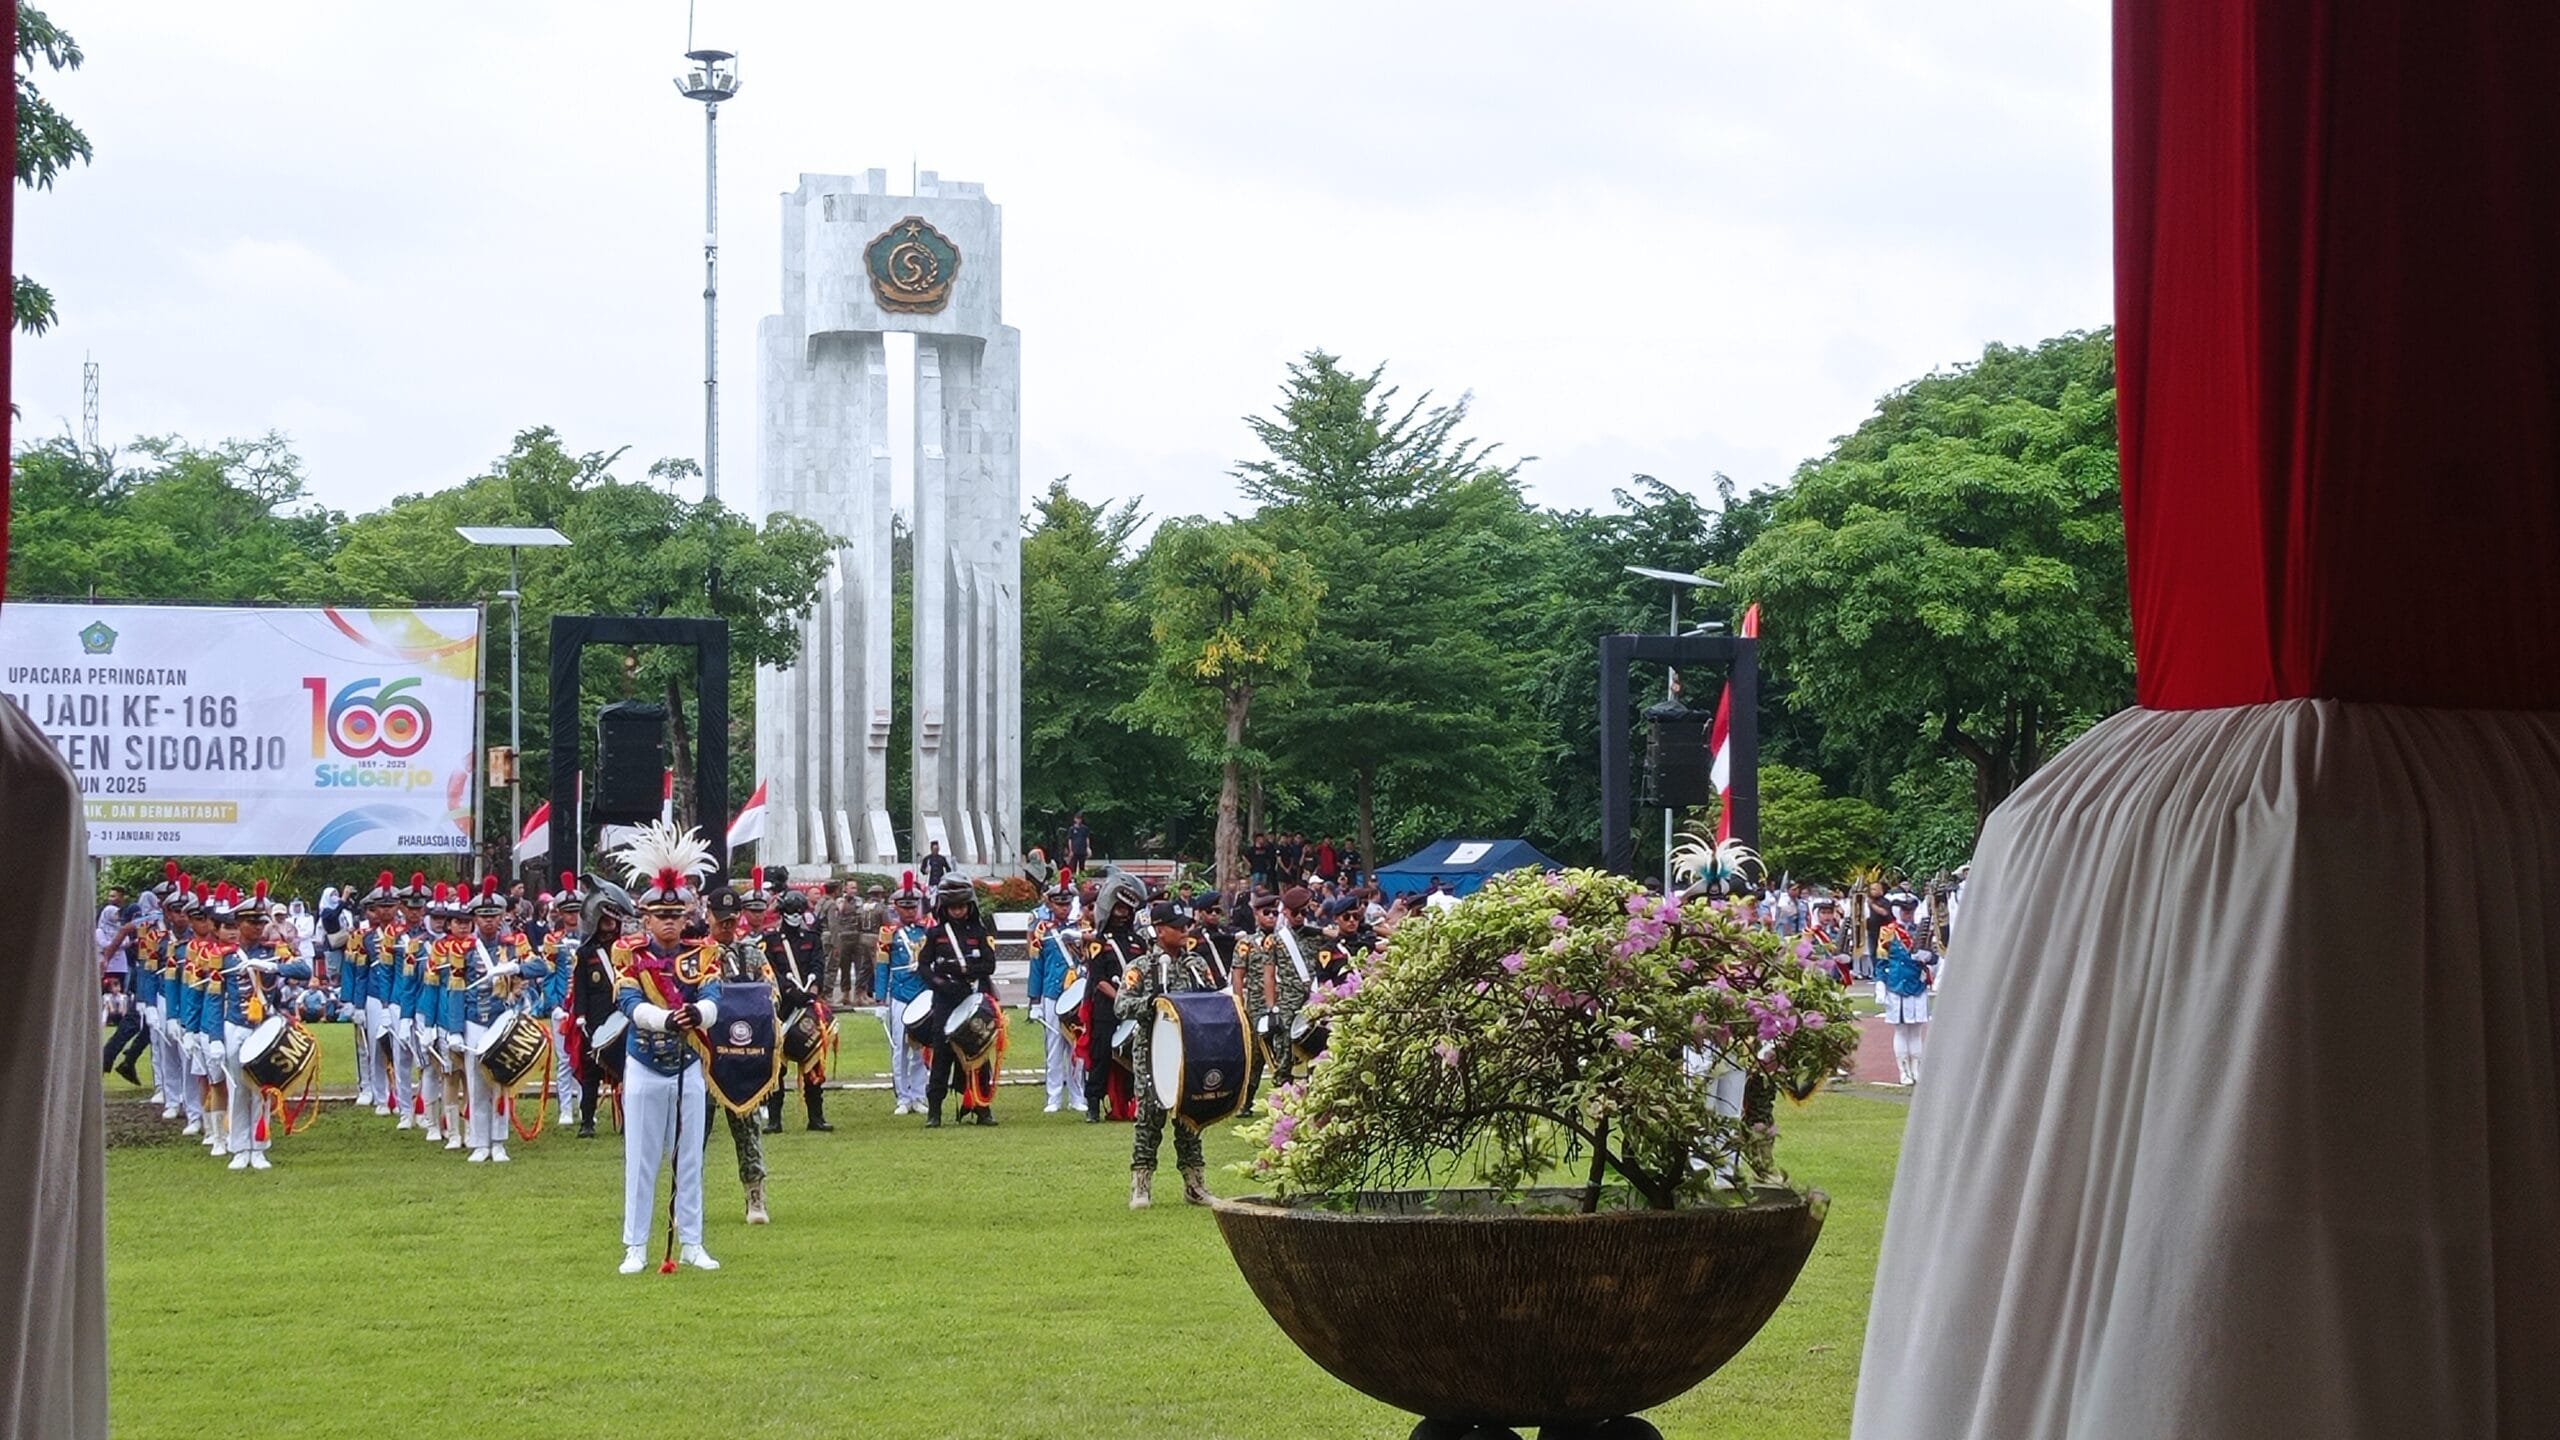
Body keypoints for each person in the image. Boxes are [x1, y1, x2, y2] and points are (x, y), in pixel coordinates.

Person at [612, 831, 724, 1273]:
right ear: (646, 920)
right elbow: (627, 1003)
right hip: (644, 1062)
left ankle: (692, 1242)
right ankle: (635, 1245)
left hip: (688, 1063)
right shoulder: (629, 955)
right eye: (661, 917)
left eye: (676, 916)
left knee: (690, 1157)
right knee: (640, 1159)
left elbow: (715, 996)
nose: (670, 924)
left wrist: (697, 1014)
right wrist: (664, 1019)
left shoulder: (702, 954)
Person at [1117, 899, 1220, 1208]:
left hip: (1191, 1053)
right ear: (1160, 931)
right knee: (1149, 1119)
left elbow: (1214, 1000)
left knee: (1191, 1118)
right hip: (1151, 1052)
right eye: (1177, 927)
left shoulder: (1197, 964)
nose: (1184, 932)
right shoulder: (1141, 967)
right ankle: (1141, 1186)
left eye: (1185, 926)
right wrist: (1149, 1003)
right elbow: (1121, 1005)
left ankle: (1195, 1185)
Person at [219, 881, 311, 1171]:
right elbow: (211, 997)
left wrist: (275, 967)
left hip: (263, 1026)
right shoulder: (226, 956)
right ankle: (238, 1147)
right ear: (238, 923)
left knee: (262, 1089)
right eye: (251, 922)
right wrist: (210, 1035)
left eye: (261, 921)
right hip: (236, 1024)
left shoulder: (274, 950)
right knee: (237, 1088)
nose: (258, 927)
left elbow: (304, 970)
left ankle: (259, 1146)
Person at [458, 876, 545, 1163]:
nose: (489, 922)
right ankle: (480, 1141)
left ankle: (499, 1141)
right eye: (483, 917)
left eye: (494, 916)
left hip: (503, 1017)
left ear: (502, 916)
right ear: (474, 919)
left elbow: (541, 965)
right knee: (476, 1082)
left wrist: (517, 967)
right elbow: (455, 990)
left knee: (502, 1081)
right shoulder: (464, 949)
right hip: (473, 1019)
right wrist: (453, 1029)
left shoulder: (514, 943)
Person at [704, 886, 773, 1224]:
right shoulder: (696, 954)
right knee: (694, 1130)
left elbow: (768, 997)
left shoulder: (752, 954)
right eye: (721, 922)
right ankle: (687, 1197)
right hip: (704, 1056)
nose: (727, 928)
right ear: (709, 918)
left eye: (732, 921)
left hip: (741, 1054)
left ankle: (755, 1196)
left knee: (748, 1127)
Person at [920, 875, 1000, 1127]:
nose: (957, 911)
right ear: (944, 908)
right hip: (945, 1001)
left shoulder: (979, 932)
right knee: (942, 1054)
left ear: (969, 907)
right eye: (953, 907)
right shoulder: (935, 934)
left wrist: (962, 970)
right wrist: (941, 983)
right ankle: (935, 1111)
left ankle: (982, 1107)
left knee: (978, 1053)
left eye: (962, 906)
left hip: (973, 998)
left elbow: (989, 964)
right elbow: (924, 966)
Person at [761, 870, 835, 1134]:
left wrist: (813, 989)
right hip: (782, 1006)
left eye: (798, 911)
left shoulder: (811, 939)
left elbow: (818, 965)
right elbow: (770, 970)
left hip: (807, 1004)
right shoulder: (770, 940)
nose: (794, 916)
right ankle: (774, 1119)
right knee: (776, 1066)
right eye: (789, 911)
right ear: (782, 913)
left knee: (813, 1059)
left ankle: (816, 1116)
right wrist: (789, 990)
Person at [1081, 870, 1149, 1123]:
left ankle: (1131, 1104)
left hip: (1134, 1008)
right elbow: (1098, 981)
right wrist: (1122, 998)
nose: (1122, 914)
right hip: (1106, 1008)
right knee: (1100, 1057)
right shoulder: (1098, 942)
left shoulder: (1138, 942)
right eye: (1118, 908)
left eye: (1126, 909)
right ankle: (1093, 1105)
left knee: (1134, 1057)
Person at [565, 875, 628, 1140]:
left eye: (613, 919)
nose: (610, 923)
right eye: (605, 919)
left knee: (627, 1072)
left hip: (624, 1016)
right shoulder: (585, 953)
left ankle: (628, 1119)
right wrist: (580, 1016)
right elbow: (580, 988)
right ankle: (587, 1120)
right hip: (594, 1017)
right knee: (590, 1074)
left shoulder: (626, 949)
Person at [1236, 888, 1308, 1117]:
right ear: (1256, 914)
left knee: (1286, 1051)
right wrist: (1238, 1007)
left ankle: (1285, 1098)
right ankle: (1246, 1101)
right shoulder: (1247, 943)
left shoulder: (1288, 939)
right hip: (1257, 1007)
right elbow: (1237, 976)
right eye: (1266, 912)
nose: (1271, 917)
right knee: (1257, 1055)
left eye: (1274, 913)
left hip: (1286, 1003)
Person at [876, 876, 931, 1115]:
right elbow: (882, 966)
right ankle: (903, 1096)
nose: (910, 911)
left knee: (920, 1048)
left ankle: (919, 1094)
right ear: (896, 908)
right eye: (905, 907)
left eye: (913, 906)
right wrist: (880, 999)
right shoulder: (888, 933)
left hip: (923, 992)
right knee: (899, 1048)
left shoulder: (927, 930)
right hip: (899, 992)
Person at [1024, 884, 1077, 1111]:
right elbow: (1036, 966)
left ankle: (1078, 1096)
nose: (1063, 908)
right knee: (1054, 1047)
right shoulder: (1042, 930)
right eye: (1059, 904)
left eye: (1067, 903)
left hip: (1075, 994)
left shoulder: (1082, 927)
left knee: (1077, 1049)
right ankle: (1054, 1096)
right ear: (1051, 905)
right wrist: (1034, 1001)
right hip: (1052, 993)